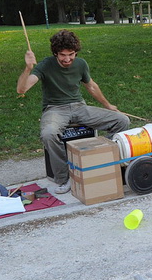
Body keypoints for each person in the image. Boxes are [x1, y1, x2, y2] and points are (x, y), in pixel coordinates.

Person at [17, 29, 130, 194]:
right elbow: (22, 89)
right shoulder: (45, 65)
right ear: (55, 53)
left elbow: (91, 85)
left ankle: (96, 159)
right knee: (49, 134)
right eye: (63, 55)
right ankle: (64, 178)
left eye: (71, 54)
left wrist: (108, 105)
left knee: (123, 121)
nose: (67, 59)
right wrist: (28, 68)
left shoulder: (81, 64)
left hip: (79, 106)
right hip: (55, 109)